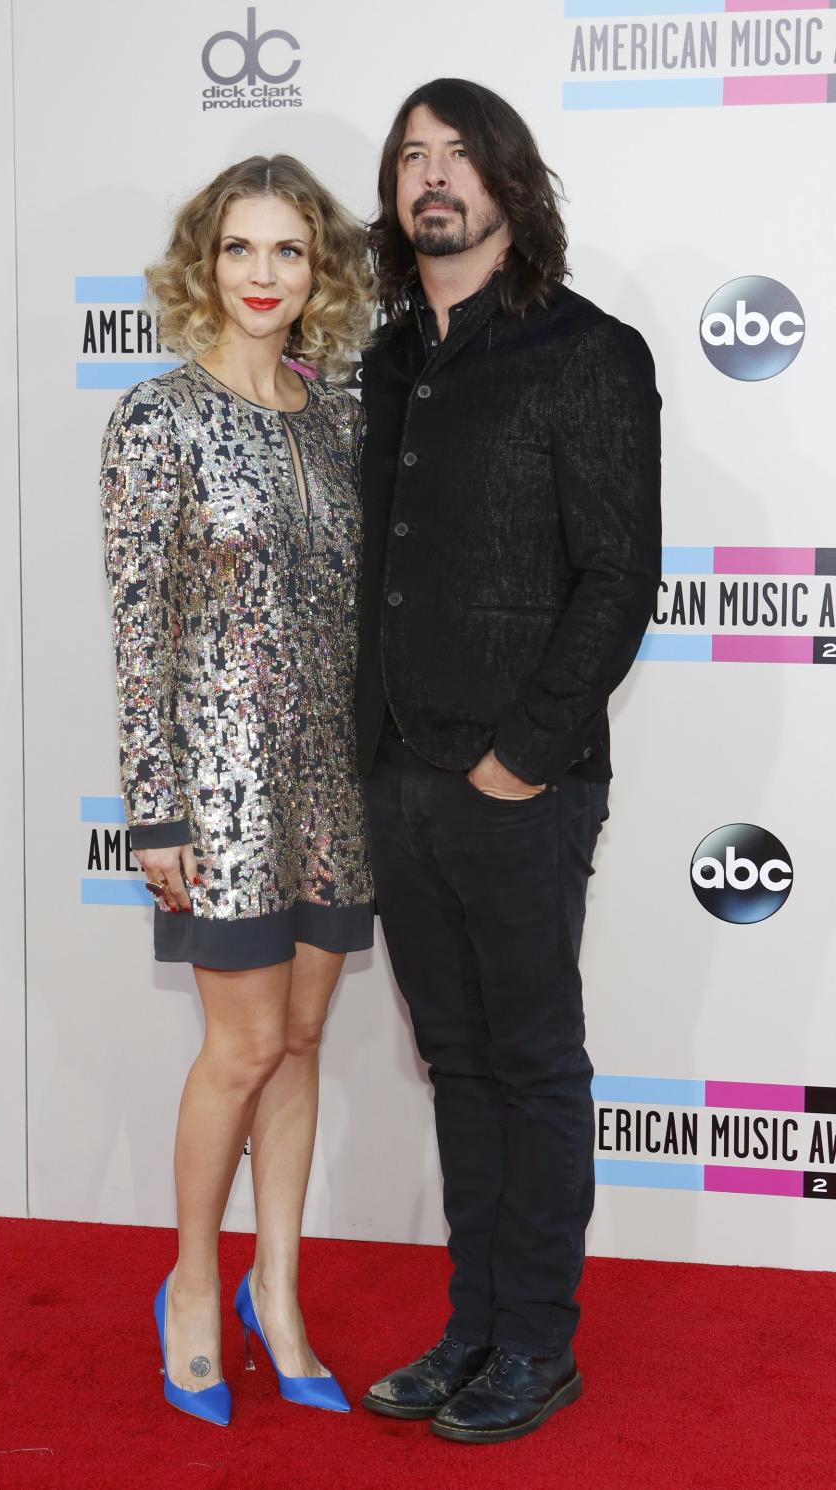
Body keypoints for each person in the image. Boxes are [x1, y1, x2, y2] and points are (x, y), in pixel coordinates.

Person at [356, 79, 661, 1445]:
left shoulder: (587, 352)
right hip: (398, 776)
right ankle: (473, 1328)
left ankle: (540, 1340)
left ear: (509, 186)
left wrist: (521, 760)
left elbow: (617, 575)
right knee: (460, 1066)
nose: (434, 176)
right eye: (412, 155)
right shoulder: (383, 359)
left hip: (517, 784)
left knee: (533, 1063)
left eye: (460, 154)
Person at [100, 155, 375, 1426]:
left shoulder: (341, 416)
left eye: (290, 253)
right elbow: (136, 626)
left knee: (306, 1040)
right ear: (204, 264)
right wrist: (153, 804)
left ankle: (282, 1289)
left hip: (335, 781)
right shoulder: (156, 416)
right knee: (245, 1044)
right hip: (219, 786)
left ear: (320, 271)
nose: (264, 277)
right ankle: (194, 1289)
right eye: (241, 251)